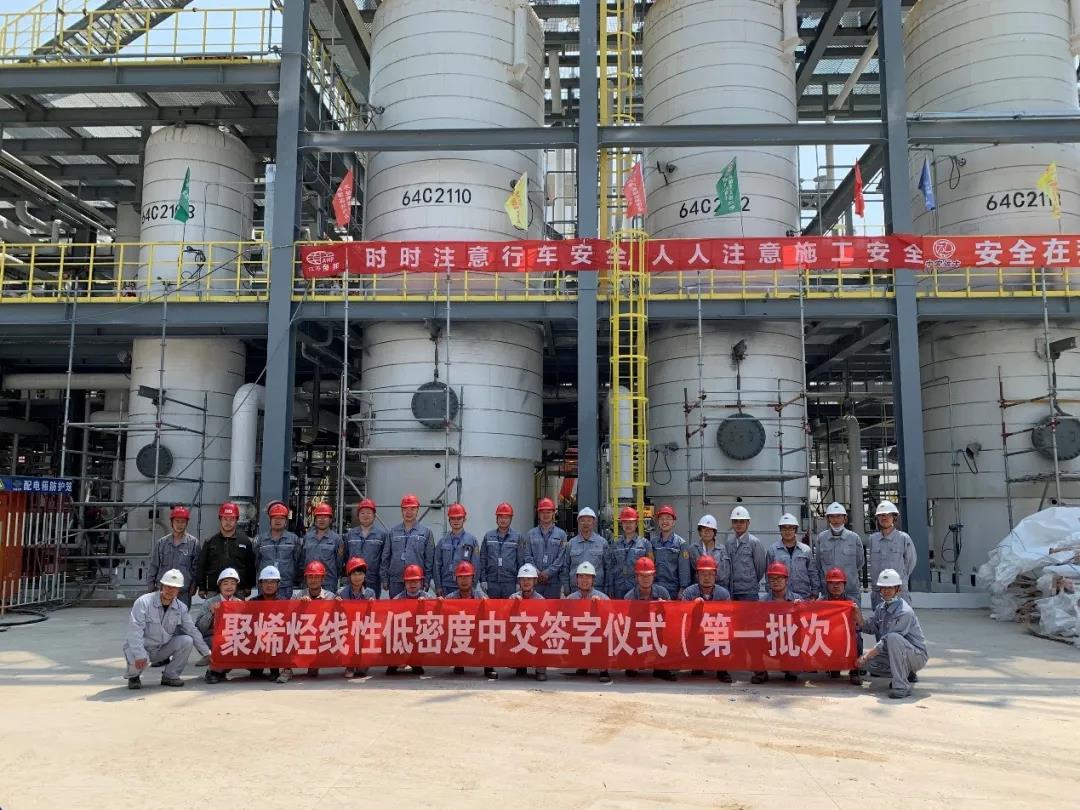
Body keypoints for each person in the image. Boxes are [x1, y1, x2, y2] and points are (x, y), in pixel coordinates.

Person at [123, 568, 209, 690]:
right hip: (142, 647)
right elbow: (134, 631)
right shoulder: (143, 602)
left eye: (174, 588)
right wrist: (139, 654)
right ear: (161, 586)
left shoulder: (181, 608)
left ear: (179, 590)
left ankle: (170, 675)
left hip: (160, 649)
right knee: (135, 655)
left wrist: (207, 653)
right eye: (167, 586)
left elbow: (192, 630)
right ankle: (134, 677)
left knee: (187, 640)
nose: (170, 590)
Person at [857, 569, 928, 699]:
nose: (886, 591)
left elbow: (886, 641)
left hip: (916, 656)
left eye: (890, 588)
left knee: (893, 638)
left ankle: (902, 686)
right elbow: (870, 626)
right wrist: (858, 618)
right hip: (896, 653)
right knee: (868, 664)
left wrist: (866, 656)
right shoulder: (881, 608)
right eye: (883, 588)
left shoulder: (904, 611)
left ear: (898, 589)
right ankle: (906, 673)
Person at [277, 561, 337, 683]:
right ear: (306, 579)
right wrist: (300, 606)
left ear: (323, 579)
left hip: (320, 635)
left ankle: (314, 663)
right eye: (310, 577)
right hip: (302, 633)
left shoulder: (330, 597)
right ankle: (287, 669)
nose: (313, 580)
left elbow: (337, 619)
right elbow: (288, 617)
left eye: (317, 577)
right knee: (286, 633)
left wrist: (340, 605)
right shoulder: (298, 596)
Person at [681, 556, 733, 683]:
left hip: (716, 629)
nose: (707, 577)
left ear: (715, 575)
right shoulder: (689, 593)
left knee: (724, 633)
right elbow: (682, 617)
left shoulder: (723, 594)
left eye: (710, 574)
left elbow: (729, 618)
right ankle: (697, 664)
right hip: (696, 629)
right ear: (697, 575)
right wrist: (693, 607)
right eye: (703, 574)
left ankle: (722, 669)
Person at [624, 556, 675, 682]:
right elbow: (627, 624)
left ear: (654, 576)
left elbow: (672, 618)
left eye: (648, 575)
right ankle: (634, 662)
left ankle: (661, 667)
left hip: (657, 630)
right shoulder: (629, 597)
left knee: (667, 635)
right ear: (636, 577)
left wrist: (665, 608)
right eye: (642, 576)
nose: (645, 579)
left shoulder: (663, 592)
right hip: (639, 631)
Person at [443, 561, 496, 680]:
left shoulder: (481, 597)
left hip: (477, 632)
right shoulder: (450, 598)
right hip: (460, 632)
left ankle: (488, 666)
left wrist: (487, 605)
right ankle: (458, 662)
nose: (464, 580)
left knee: (490, 632)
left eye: (467, 577)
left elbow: (491, 615)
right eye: (460, 577)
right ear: (456, 579)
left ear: (473, 578)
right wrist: (439, 604)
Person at [751, 561, 799, 685]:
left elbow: (808, 624)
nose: (775, 581)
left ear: (786, 580)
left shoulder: (797, 600)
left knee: (794, 672)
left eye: (779, 578)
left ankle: (790, 669)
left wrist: (800, 610)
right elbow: (756, 626)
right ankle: (760, 673)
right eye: (772, 578)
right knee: (752, 638)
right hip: (770, 640)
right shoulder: (762, 603)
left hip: (789, 642)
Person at [382, 493, 436, 603]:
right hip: (396, 580)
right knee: (397, 610)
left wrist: (426, 581)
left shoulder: (426, 532)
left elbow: (429, 560)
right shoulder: (393, 532)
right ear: (401, 511)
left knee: (417, 610)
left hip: (416, 581)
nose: (409, 512)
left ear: (417, 510)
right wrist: (384, 578)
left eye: (412, 509)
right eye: (405, 509)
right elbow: (385, 557)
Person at [195, 502, 256, 597]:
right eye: (225, 519)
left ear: (236, 520)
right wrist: (202, 587)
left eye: (232, 519)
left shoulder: (245, 541)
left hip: (238, 590)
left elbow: (250, 565)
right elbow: (202, 566)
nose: (228, 522)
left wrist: (249, 585)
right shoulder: (210, 542)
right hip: (214, 590)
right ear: (220, 519)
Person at [565, 561, 612, 684]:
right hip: (579, 634)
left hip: (597, 634)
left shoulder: (603, 598)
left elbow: (610, 620)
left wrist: (600, 606)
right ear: (576, 579)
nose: (584, 580)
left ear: (593, 580)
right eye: (581, 577)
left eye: (588, 577)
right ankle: (583, 664)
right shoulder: (570, 599)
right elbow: (564, 621)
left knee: (605, 637)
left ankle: (603, 669)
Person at [196, 568, 244, 684]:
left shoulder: (240, 603)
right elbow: (199, 627)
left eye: (233, 583)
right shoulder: (210, 602)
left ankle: (220, 670)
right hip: (211, 638)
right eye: (225, 583)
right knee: (223, 643)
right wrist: (211, 613)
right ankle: (212, 671)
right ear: (219, 585)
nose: (229, 587)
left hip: (233, 639)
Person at [146, 504, 199, 607]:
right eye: (177, 521)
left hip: (183, 592)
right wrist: (150, 586)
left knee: (181, 616)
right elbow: (154, 566)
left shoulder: (193, 544)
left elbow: (195, 568)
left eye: (183, 522)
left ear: (187, 523)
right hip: (162, 591)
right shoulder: (162, 543)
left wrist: (194, 585)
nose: (180, 525)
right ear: (171, 523)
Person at [867, 500, 917, 607]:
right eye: (881, 515)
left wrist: (901, 577)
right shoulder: (873, 539)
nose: (884, 518)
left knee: (900, 616)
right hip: (878, 591)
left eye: (888, 515)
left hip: (898, 590)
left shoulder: (903, 538)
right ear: (877, 518)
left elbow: (910, 562)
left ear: (894, 517)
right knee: (879, 616)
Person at [815, 502, 865, 602]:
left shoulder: (854, 538)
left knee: (852, 612)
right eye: (832, 517)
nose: (836, 520)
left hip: (850, 590)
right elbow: (819, 564)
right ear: (828, 519)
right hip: (828, 592)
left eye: (839, 516)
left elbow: (860, 563)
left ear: (845, 519)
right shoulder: (821, 538)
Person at [822, 567, 863, 685]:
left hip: (847, 635)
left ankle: (854, 671)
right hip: (828, 635)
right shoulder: (821, 602)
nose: (835, 586)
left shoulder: (852, 603)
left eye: (839, 583)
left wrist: (856, 614)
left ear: (844, 585)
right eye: (832, 583)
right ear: (827, 585)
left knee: (857, 638)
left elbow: (860, 625)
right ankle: (833, 667)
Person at [388, 563, 431, 676]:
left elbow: (437, 616)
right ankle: (395, 661)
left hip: (419, 634)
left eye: (416, 581)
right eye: (409, 581)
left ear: (421, 582)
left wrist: (430, 605)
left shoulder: (428, 598)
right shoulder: (397, 599)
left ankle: (416, 662)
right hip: (402, 634)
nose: (412, 584)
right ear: (404, 583)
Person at [254, 500, 301, 599]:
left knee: (284, 609)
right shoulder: (260, 540)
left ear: (286, 521)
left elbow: (297, 561)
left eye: (281, 518)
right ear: (270, 520)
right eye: (275, 518)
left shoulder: (293, 539)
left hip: (285, 586)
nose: (278, 521)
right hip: (265, 586)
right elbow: (256, 562)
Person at [767, 513, 820, 599]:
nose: (787, 531)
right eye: (784, 528)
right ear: (780, 530)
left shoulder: (805, 550)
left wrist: (815, 593)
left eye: (791, 528)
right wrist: (771, 595)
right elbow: (768, 575)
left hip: (803, 596)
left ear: (796, 530)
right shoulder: (773, 550)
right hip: (781, 598)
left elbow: (812, 573)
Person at [338, 557, 375, 679]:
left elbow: (374, 616)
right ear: (349, 576)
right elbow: (336, 615)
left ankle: (361, 663)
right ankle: (349, 665)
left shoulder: (370, 593)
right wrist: (336, 604)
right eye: (354, 574)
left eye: (360, 574)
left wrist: (373, 605)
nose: (357, 577)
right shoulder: (341, 593)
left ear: (364, 576)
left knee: (362, 671)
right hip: (347, 629)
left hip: (364, 628)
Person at [509, 563, 546, 681]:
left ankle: (540, 670)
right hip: (519, 633)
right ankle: (520, 665)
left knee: (543, 639)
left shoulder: (541, 600)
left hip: (535, 634)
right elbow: (506, 619)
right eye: (523, 579)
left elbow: (544, 624)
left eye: (529, 579)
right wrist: (513, 605)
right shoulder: (513, 597)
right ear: (519, 581)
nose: (526, 582)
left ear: (535, 581)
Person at [248, 565, 286, 682]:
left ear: (278, 584)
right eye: (265, 582)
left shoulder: (284, 603)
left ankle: (275, 669)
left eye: (273, 582)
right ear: (260, 584)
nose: (269, 585)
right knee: (255, 673)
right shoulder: (252, 602)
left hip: (276, 641)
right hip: (257, 641)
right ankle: (256, 665)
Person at [433, 503, 480, 597]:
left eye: (459, 518)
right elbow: (436, 565)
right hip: (445, 586)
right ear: (449, 520)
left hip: (465, 587)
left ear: (464, 519)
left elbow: (476, 565)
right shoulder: (442, 542)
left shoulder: (472, 541)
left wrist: (473, 587)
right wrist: (438, 586)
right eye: (453, 518)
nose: (456, 521)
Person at [481, 502, 526, 599]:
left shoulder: (517, 537)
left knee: (509, 607)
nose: (503, 520)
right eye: (500, 517)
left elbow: (521, 562)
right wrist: (483, 580)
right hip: (491, 582)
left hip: (510, 582)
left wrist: (519, 582)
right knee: (492, 608)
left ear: (511, 519)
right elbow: (483, 559)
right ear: (496, 519)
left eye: (506, 517)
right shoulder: (488, 536)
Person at [525, 497, 567, 598]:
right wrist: (537, 572)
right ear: (539, 514)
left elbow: (561, 558)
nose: (546, 515)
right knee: (535, 607)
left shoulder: (561, 535)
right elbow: (527, 556)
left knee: (552, 607)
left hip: (554, 582)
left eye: (548, 512)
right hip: (535, 581)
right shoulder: (530, 534)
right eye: (543, 512)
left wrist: (548, 573)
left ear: (553, 513)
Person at [345, 498, 388, 597]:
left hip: (373, 579)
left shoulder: (382, 535)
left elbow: (384, 559)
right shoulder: (350, 535)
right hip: (353, 578)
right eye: (362, 513)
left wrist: (384, 578)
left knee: (372, 605)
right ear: (358, 515)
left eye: (369, 513)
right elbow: (346, 556)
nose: (365, 516)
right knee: (352, 605)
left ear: (374, 515)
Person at [563, 507, 610, 597]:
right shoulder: (571, 543)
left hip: (597, 589)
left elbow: (608, 568)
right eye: (582, 521)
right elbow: (565, 567)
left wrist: (607, 587)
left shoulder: (602, 543)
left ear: (594, 522)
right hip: (575, 590)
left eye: (589, 520)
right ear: (578, 522)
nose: (586, 523)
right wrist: (566, 586)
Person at [608, 506, 651, 601]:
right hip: (618, 588)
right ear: (621, 524)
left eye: (631, 522)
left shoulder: (645, 544)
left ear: (636, 524)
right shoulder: (615, 545)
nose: (628, 525)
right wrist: (610, 586)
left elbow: (651, 568)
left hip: (637, 589)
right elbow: (611, 567)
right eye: (625, 522)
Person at [300, 501, 345, 593]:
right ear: (315, 519)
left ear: (330, 520)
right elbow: (302, 560)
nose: (322, 520)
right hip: (309, 583)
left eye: (325, 517)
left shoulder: (337, 539)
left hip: (328, 584)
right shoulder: (307, 538)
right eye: (319, 517)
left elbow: (339, 564)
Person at [725, 506, 767, 601]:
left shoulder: (754, 543)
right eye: (735, 521)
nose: (738, 524)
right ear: (732, 523)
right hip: (732, 591)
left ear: (748, 523)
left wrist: (750, 582)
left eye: (742, 521)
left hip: (749, 592)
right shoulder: (728, 543)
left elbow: (760, 568)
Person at [649, 504, 691, 598]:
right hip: (655, 588)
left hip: (673, 590)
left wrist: (683, 588)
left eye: (668, 518)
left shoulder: (681, 544)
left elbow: (684, 569)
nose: (664, 521)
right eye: (661, 518)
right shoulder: (652, 543)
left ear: (673, 522)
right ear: (658, 522)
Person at [687, 514, 732, 595]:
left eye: (710, 529)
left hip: (718, 591)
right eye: (704, 528)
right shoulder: (692, 549)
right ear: (700, 532)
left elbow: (726, 575)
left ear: (714, 532)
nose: (707, 532)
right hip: (698, 592)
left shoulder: (722, 550)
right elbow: (689, 573)